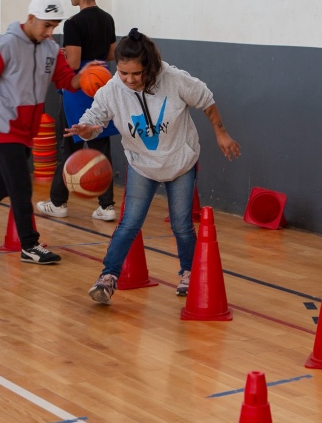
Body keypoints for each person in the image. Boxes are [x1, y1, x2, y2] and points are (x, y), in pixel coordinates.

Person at [68, 28, 241, 304]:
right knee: (129, 224)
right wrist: (87, 129)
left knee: (182, 225)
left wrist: (221, 132)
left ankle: (188, 272)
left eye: (136, 74)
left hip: (179, 162)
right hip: (141, 165)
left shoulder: (173, 80)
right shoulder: (113, 89)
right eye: (124, 73)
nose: (129, 79)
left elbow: (206, 99)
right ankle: (108, 277)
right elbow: (95, 117)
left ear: (150, 66)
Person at [0, 0, 86, 264]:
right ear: (31, 18)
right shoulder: (5, 45)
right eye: (46, 25)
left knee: (4, 185)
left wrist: (90, 75)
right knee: (22, 186)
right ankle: (30, 245)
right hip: (4, 126)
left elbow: (67, 82)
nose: (50, 32)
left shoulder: (49, 48)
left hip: (27, 129)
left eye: (54, 27)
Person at [36, 0, 118, 221]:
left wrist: (62, 56)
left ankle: (58, 203)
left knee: (69, 146)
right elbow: (111, 54)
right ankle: (107, 206)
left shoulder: (73, 23)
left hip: (79, 88)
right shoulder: (108, 18)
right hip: (102, 86)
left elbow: (72, 61)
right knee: (100, 148)